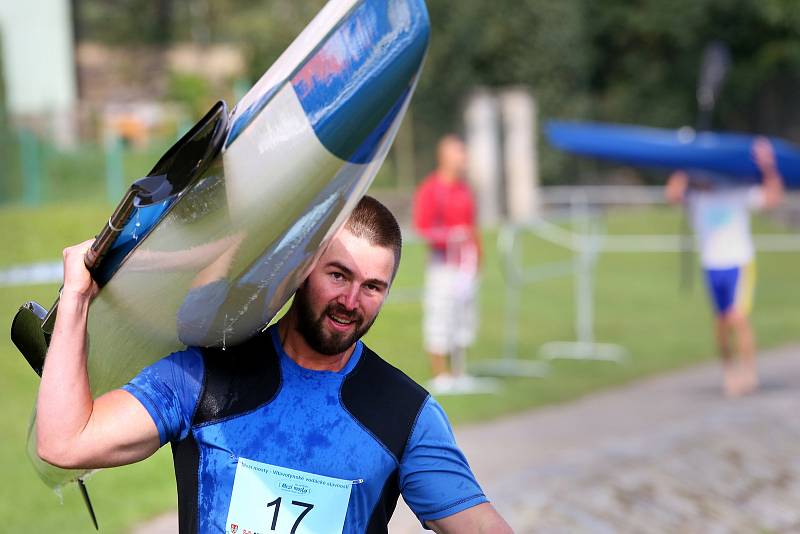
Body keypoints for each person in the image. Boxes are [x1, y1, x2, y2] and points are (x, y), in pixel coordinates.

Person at [35, 195, 512, 534]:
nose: (351, 300)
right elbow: (65, 443)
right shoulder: (204, 378)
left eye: (372, 286)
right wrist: (76, 299)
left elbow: (481, 525)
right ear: (301, 269)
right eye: (338, 275)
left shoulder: (405, 413)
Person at [665, 137, 784, 397]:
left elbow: (773, 197)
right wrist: (681, 161)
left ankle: (749, 374)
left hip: (739, 263)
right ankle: (729, 373)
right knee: (721, 323)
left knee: (738, 318)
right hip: (712, 265)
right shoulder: (697, 198)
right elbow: (672, 194)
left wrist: (768, 166)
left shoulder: (737, 193)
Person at [412, 135, 481, 392]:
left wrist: (476, 258)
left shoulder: (465, 190)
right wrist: (449, 237)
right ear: (445, 156)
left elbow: (474, 227)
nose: (463, 158)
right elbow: (423, 228)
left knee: (463, 318)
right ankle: (440, 374)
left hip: (465, 265)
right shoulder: (430, 189)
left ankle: (459, 370)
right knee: (440, 315)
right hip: (442, 265)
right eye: (458, 153)